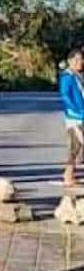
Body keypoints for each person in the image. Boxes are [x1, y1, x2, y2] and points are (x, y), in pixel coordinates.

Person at [59, 49, 84, 187]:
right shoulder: (67, 77)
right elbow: (65, 96)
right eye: (77, 60)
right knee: (74, 146)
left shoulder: (78, 76)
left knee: (79, 146)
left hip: (82, 115)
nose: (80, 62)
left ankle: (71, 173)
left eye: (81, 59)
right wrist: (75, 110)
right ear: (70, 61)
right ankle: (68, 175)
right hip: (74, 117)